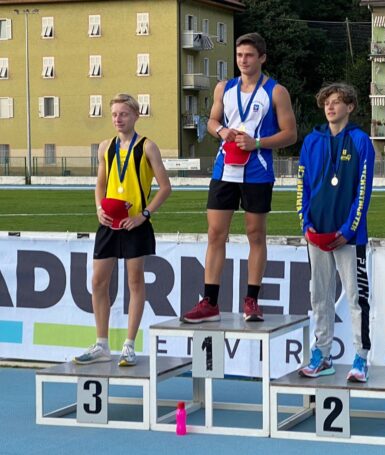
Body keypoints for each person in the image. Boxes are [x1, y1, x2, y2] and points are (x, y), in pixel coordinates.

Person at [182, 32, 296, 323]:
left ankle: (252, 301)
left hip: (257, 171)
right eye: (239, 55)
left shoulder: (276, 91)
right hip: (225, 169)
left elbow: (290, 134)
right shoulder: (225, 88)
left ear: (262, 58)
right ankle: (209, 302)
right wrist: (221, 131)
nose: (243, 61)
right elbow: (211, 120)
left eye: (249, 55)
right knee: (215, 234)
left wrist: (257, 143)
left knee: (255, 235)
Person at [73, 93, 172, 366]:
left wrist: (144, 215)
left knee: (135, 282)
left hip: (134, 224)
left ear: (136, 116)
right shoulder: (105, 147)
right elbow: (100, 185)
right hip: (108, 222)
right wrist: (98, 209)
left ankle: (129, 345)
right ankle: (102, 344)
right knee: (98, 282)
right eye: (115, 114)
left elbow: (166, 188)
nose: (118, 119)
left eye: (124, 114)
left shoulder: (147, 147)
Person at [296, 83, 375, 382]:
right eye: (327, 102)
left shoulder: (360, 141)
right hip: (316, 234)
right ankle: (322, 354)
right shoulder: (311, 142)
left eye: (338, 102)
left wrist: (348, 229)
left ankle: (361, 357)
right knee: (320, 297)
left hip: (348, 237)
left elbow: (363, 189)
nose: (331, 107)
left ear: (350, 107)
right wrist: (305, 223)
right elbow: (302, 185)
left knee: (356, 298)